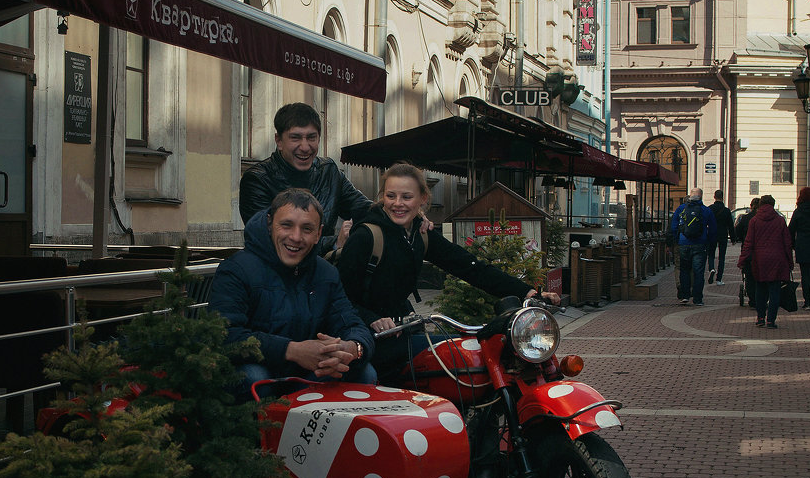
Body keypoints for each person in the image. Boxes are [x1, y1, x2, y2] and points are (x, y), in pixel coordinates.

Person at [335, 162, 560, 380]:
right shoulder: (366, 237)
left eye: (407, 197)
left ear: (422, 199)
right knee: (450, 359)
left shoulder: (419, 234)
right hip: (363, 336)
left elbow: (470, 267)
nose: (398, 203)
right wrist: (373, 319)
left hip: (401, 331)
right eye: (391, 196)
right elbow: (338, 297)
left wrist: (527, 292)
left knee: (465, 356)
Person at [209, 188, 377, 395]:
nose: (296, 237)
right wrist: (291, 351)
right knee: (254, 377)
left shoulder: (326, 274)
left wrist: (352, 348)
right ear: (270, 224)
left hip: (305, 375)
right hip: (254, 375)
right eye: (286, 225)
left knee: (363, 372)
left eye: (307, 229)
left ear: (318, 234)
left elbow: (352, 323)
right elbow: (224, 336)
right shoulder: (236, 269)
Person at [239, 103, 372, 256]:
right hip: (275, 276)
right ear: (279, 141)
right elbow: (269, 241)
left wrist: (396, 208)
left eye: (311, 137)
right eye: (295, 138)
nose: (305, 147)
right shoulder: (257, 180)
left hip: (321, 273)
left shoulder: (329, 171)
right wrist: (334, 243)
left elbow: (366, 210)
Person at [737, 194, 793, 329]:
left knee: (760, 289)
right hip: (777, 259)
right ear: (773, 204)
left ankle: (760, 318)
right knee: (775, 290)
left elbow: (748, 242)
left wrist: (742, 259)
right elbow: (787, 242)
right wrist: (789, 262)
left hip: (759, 260)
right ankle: (771, 320)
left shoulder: (754, 221)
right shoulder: (780, 220)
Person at [668, 188, 717, 306]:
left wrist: (676, 240)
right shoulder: (706, 210)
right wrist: (709, 242)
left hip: (683, 244)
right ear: (701, 197)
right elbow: (713, 229)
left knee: (684, 270)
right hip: (700, 244)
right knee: (698, 272)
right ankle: (697, 298)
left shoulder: (681, 209)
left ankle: (685, 296)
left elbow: (673, 227)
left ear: (690, 196)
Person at [707, 189, 736, 285]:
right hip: (723, 235)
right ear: (722, 197)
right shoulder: (726, 211)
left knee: (711, 254)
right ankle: (719, 279)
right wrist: (733, 238)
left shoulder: (710, 209)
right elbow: (730, 226)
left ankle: (711, 268)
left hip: (711, 234)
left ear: (714, 197)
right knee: (722, 257)